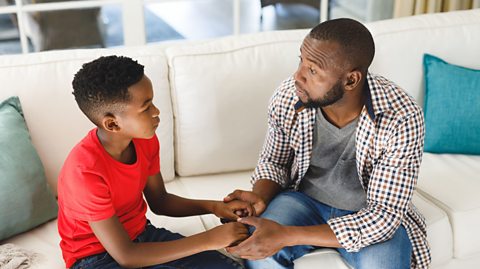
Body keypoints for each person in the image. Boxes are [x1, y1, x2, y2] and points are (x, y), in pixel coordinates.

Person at [224, 18, 430, 269]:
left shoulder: (401, 117)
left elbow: (383, 216)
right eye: (301, 60)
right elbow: (274, 162)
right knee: (260, 252)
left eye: (313, 71)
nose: (297, 76)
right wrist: (259, 197)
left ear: (351, 80)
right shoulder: (290, 94)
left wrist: (287, 235)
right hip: (302, 200)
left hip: (366, 213)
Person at [57, 56, 251, 269]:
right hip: (95, 259)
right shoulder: (85, 173)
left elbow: (160, 201)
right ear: (112, 123)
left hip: (143, 236)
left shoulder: (144, 141)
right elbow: (126, 256)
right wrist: (209, 239)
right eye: (146, 107)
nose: (157, 112)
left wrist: (216, 207)